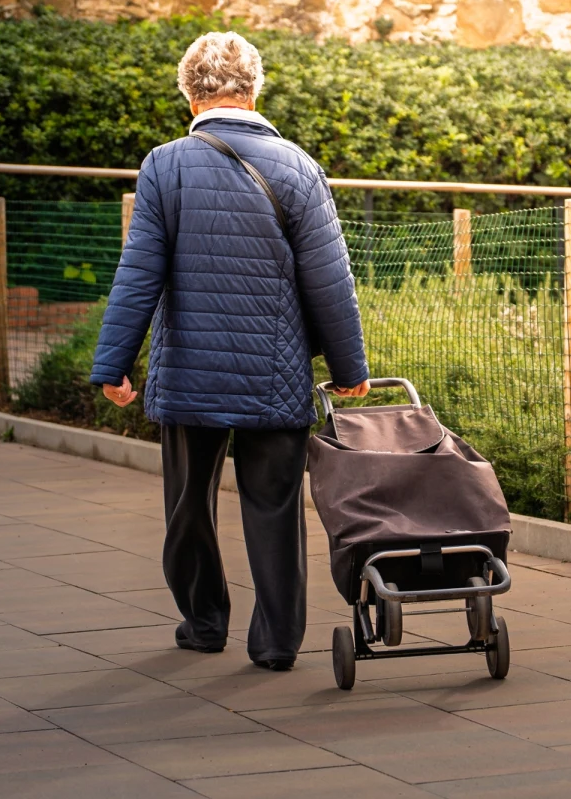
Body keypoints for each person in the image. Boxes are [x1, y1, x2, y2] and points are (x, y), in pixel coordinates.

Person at [90, 31, 370, 672]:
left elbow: (138, 272)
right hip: (273, 374)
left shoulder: (164, 165)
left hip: (189, 372)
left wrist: (114, 363)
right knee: (274, 508)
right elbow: (330, 280)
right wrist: (348, 367)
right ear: (254, 90)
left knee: (187, 505)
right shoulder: (298, 167)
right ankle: (275, 643)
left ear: (191, 95)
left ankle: (203, 621)